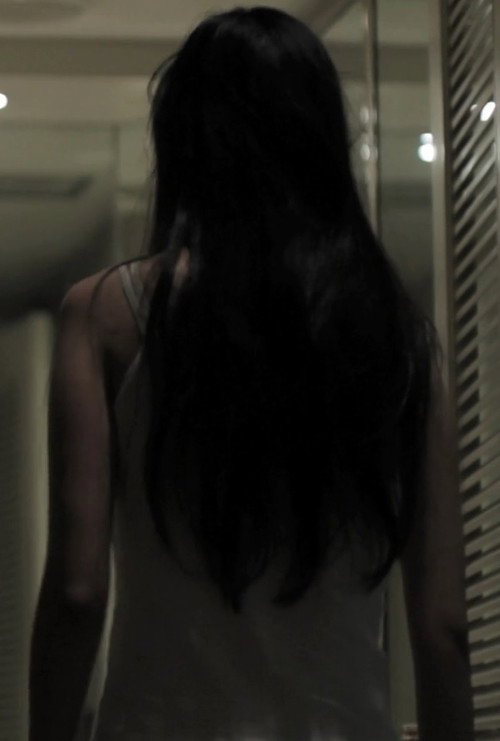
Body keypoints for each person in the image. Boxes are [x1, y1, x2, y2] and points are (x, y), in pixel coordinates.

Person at [29, 6, 474, 741]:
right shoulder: (397, 338)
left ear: (183, 141)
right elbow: (443, 626)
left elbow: (78, 593)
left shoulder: (105, 313)